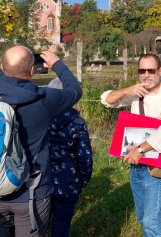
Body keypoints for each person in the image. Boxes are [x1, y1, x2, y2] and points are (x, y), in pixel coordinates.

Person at [0, 46, 82, 237]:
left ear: (2, 67)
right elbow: (75, 90)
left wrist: (7, 67)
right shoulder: (44, 99)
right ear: (32, 71)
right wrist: (57, 64)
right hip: (32, 194)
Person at [100, 53, 161, 237]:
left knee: (152, 222)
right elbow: (105, 100)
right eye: (142, 70)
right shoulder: (138, 92)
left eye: (151, 70)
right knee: (143, 218)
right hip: (136, 165)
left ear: (160, 71)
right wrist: (126, 91)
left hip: (156, 166)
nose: (146, 75)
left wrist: (140, 149)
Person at [46, 78, 93, 237]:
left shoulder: (39, 117)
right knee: (62, 224)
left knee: (38, 224)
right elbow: (84, 156)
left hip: (41, 181)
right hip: (68, 182)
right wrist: (84, 180)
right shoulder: (77, 122)